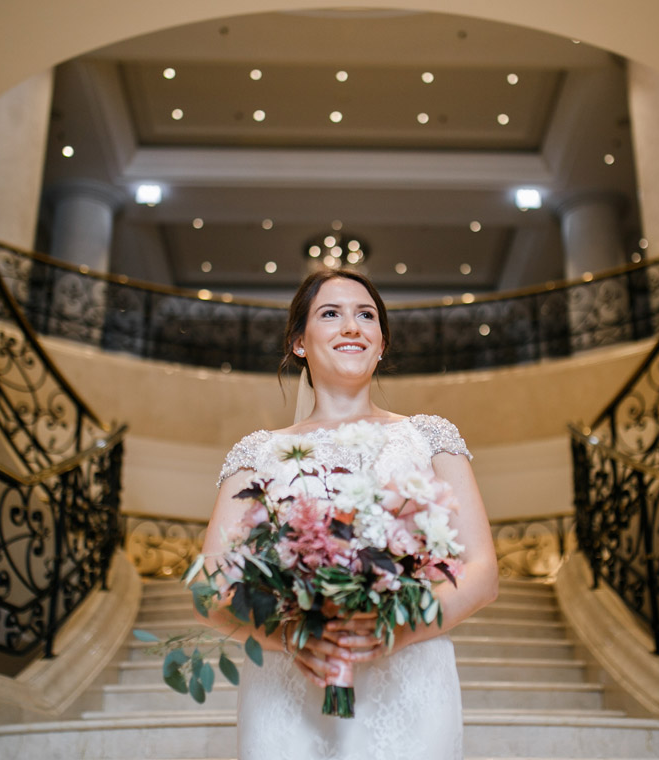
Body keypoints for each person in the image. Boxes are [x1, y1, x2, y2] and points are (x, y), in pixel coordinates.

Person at [197, 268, 499, 760]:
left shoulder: (430, 438)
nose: (352, 326)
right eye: (330, 314)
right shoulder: (258, 454)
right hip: (287, 689)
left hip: (409, 683)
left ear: (382, 343)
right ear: (299, 342)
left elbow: (483, 575)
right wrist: (289, 635)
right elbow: (208, 590)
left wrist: (396, 630)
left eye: (366, 316)